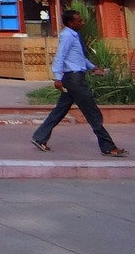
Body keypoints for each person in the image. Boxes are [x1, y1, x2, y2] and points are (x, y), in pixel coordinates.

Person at [31, 10, 128, 157]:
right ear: (71, 23)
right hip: (74, 80)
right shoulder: (67, 35)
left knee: (60, 110)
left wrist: (93, 68)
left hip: (74, 78)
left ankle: (40, 137)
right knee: (92, 111)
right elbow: (60, 56)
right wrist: (57, 77)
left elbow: (78, 57)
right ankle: (108, 147)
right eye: (79, 21)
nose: (82, 23)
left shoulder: (73, 35)